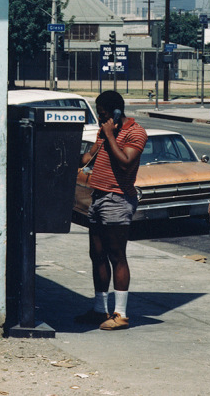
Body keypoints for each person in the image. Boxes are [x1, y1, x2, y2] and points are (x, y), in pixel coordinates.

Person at [76, 89, 146, 331]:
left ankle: (121, 314)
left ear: (116, 111)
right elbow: (90, 157)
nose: (100, 118)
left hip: (117, 199)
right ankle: (99, 309)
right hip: (97, 196)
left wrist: (110, 134)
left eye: (103, 114)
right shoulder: (105, 131)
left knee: (117, 255)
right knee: (97, 254)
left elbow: (126, 163)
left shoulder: (136, 132)